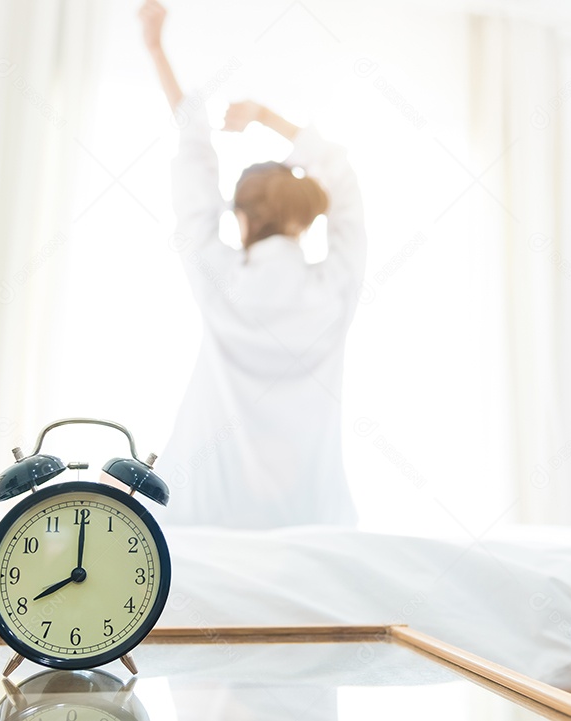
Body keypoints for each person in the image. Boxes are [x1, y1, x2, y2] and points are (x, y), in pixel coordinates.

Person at [139, 0, 367, 529]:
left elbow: (194, 156)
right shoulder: (335, 288)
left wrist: (155, 48)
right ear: (307, 218)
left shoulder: (220, 280)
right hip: (314, 526)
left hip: (205, 520)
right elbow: (344, 177)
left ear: (239, 219)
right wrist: (268, 118)